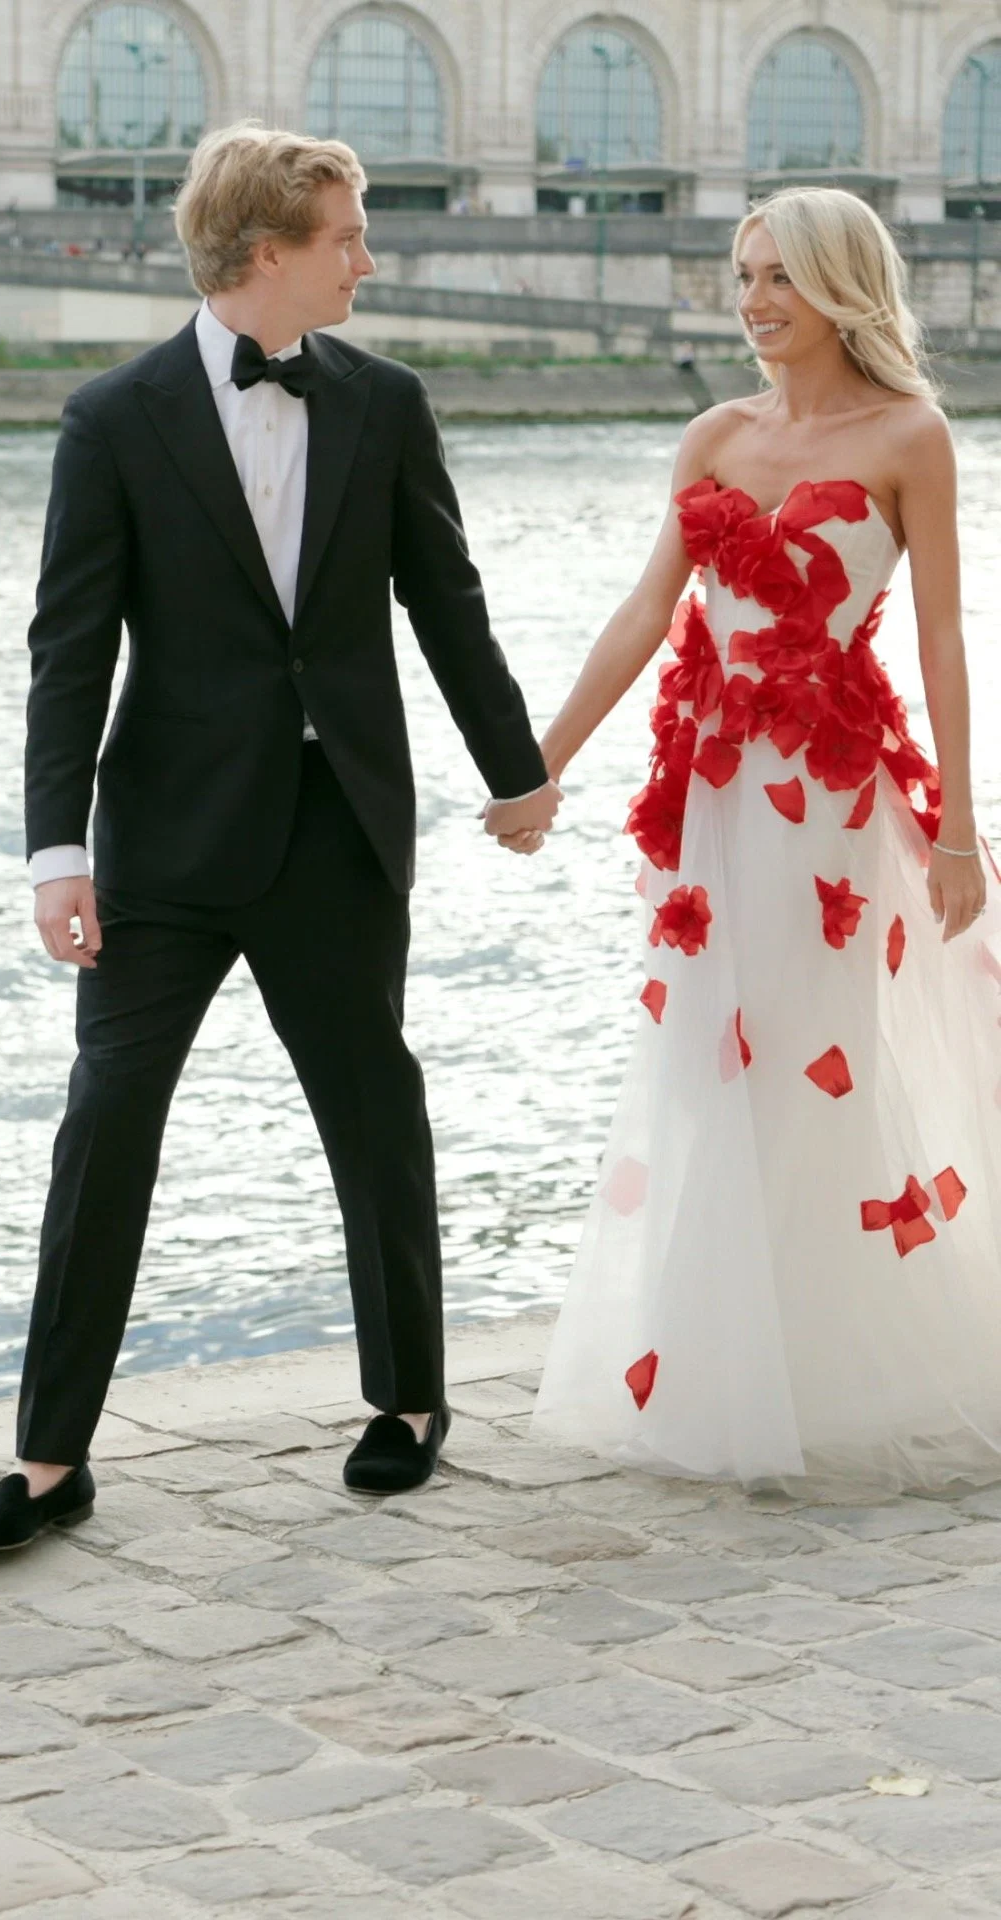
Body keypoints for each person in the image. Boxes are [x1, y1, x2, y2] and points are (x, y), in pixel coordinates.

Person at [0, 123, 559, 1553]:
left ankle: (408, 1403)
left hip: (338, 828)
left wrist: (515, 773)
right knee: (105, 1127)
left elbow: (445, 603)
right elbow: (67, 650)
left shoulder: (387, 403)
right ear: (266, 251)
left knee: (372, 1116)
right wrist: (56, 855)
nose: (369, 258)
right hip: (160, 844)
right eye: (348, 235)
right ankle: (48, 1459)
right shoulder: (113, 418)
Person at [529, 187, 1001, 1493]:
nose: (753, 303)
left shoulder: (912, 434)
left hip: (837, 809)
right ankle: (724, 1359)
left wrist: (959, 830)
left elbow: (947, 640)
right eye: (743, 277)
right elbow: (642, 615)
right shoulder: (714, 435)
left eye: (778, 278)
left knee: (812, 1056)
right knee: (707, 1069)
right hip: (713, 800)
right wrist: (542, 765)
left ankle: (821, 1368)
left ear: (840, 286)